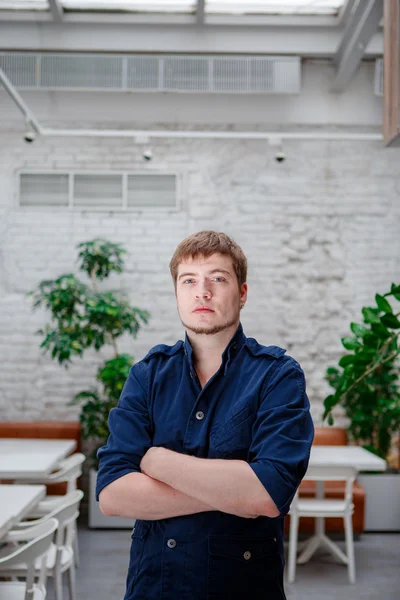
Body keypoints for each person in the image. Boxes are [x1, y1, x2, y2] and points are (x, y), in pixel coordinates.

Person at [96, 230, 314, 600]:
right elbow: (114, 495)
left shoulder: (277, 375)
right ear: (177, 292)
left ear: (242, 293)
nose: (202, 291)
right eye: (189, 280)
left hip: (242, 589)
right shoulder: (147, 375)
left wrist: (157, 461)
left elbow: (268, 491)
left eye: (218, 278)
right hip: (154, 588)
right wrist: (234, 494)